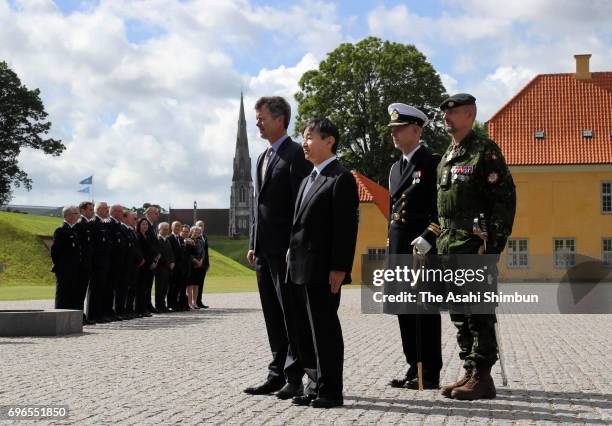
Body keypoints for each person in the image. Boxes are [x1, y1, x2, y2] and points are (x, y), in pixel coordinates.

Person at [436, 93, 516, 400]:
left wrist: (492, 244)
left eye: (453, 113)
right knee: (460, 312)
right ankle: (470, 369)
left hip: (475, 247)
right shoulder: (448, 155)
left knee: (478, 311)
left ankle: (483, 377)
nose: (446, 117)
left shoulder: (484, 151)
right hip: (449, 247)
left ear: (469, 116)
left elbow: (505, 199)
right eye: (445, 113)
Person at [287, 118, 359, 408]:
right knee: (303, 329)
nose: (304, 143)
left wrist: (340, 267)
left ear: (329, 140)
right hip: (300, 267)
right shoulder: (308, 179)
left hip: (324, 269)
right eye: (303, 138)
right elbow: (299, 224)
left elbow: (345, 228)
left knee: (324, 329)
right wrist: (290, 251)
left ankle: (331, 389)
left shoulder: (341, 178)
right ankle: (314, 382)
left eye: (309, 137)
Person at [244, 96, 312, 399]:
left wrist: (294, 246)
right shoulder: (262, 158)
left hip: (285, 251)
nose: (257, 123)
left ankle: (295, 376)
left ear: (280, 119)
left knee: (291, 315)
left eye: (261, 118)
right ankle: (276, 373)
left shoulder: (296, 154)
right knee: (272, 315)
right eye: (256, 118)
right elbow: (259, 207)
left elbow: (301, 206)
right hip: (263, 251)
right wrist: (253, 243)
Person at [385, 103, 443, 390]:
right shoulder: (396, 168)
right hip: (398, 250)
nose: (394, 133)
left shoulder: (432, 163)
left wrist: (429, 237)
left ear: (416, 130)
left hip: (421, 251)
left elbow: (441, 210)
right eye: (392, 129)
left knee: (424, 313)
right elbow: (392, 211)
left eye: (400, 128)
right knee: (404, 311)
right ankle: (413, 367)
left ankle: (429, 372)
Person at [51, 205, 81, 310]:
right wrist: (61, 266)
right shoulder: (61, 230)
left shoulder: (73, 230)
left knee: (71, 294)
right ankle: (60, 315)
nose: (78, 216)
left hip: (74, 268)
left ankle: (70, 317)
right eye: (76, 214)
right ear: (69, 216)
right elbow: (55, 251)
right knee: (63, 294)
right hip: (64, 269)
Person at [87, 202, 113, 322]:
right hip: (97, 262)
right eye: (104, 208)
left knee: (101, 289)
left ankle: (99, 313)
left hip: (105, 262)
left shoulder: (104, 223)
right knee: (95, 289)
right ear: (97, 210)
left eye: (107, 208)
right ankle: (92, 315)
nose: (107, 210)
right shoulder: (93, 223)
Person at [74, 201, 94, 324]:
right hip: (82, 264)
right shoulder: (80, 224)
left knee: (82, 291)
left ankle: (81, 315)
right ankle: (78, 315)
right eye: (90, 209)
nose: (92, 212)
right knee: (79, 292)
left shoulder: (88, 224)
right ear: (82, 210)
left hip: (88, 263)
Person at [122, 209, 144, 317]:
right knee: (126, 288)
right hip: (128, 263)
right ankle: (125, 310)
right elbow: (130, 248)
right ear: (125, 218)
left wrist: (140, 258)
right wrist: (140, 258)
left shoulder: (132, 230)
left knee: (132, 288)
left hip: (135, 263)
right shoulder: (124, 229)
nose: (136, 220)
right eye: (133, 218)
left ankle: (130, 310)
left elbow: (137, 247)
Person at [109, 204, 129, 318]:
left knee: (118, 289)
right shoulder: (110, 224)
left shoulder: (118, 225)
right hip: (113, 262)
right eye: (121, 212)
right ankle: (110, 311)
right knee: (111, 289)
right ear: (115, 212)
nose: (123, 214)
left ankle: (117, 311)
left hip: (120, 262)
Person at [135, 217, 157, 317]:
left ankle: (144, 308)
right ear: (138, 225)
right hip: (143, 266)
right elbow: (142, 252)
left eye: (146, 224)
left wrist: (154, 261)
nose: (145, 226)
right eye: (143, 224)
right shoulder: (138, 236)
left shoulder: (146, 236)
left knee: (146, 289)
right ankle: (140, 309)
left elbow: (151, 251)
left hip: (149, 266)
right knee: (141, 288)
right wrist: (149, 261)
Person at [143, 206, 161, 313]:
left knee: (149, 285)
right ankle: (145, 305)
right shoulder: (146, 225)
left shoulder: (152, 226)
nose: (157, 215)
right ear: (149, 213)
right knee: (145, 285)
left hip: (154, 259)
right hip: (148, 260)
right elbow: (148, 244)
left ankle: (148, 304)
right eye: (155, 213)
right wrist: (154, 258)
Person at [155, 222, 175, 312]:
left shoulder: (167, 240)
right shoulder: (158, 240)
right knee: (159, 288)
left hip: (168, 268)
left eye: (167, 229)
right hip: (161, 268)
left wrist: (173, 262)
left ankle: (163, 305)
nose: (166, 231)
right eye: (164, 229)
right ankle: (159, 306)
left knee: (165, 288)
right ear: (159, 230)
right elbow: (160, 254)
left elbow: (171, 253)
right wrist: (168, 263)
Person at [167, 221, 186, 311]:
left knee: (178, 286)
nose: (178, 228)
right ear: (172, 227)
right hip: (173, 267)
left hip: (180, 267)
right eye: (176, 226)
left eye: (179, 226)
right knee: (172, 286)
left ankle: (176, 304)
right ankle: (170, 304)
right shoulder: (169, 238)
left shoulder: (181, 239)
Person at [187, 226, 204, 310]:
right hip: (191, 265)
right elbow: (188, 254)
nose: (197, 233)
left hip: (199, 265)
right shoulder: (188, 240)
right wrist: (195, 261)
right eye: (195, 231)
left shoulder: (201, 242)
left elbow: (203, 253)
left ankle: (195, 302)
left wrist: (200, 261)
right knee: (190, 285)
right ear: (191, 231)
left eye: (198, 232)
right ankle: (189, 303)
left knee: (196, 285)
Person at [195, 220, 210, 308]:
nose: (201, 227)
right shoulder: (194, 236)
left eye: (202, 226)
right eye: (199, 225)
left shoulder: (205, 236)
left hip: (204, 264)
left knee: (201, 283)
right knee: (195, 283)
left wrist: (207, 264)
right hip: (197, 264)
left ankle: (199, 301)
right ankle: (194, 301)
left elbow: (206, 252)